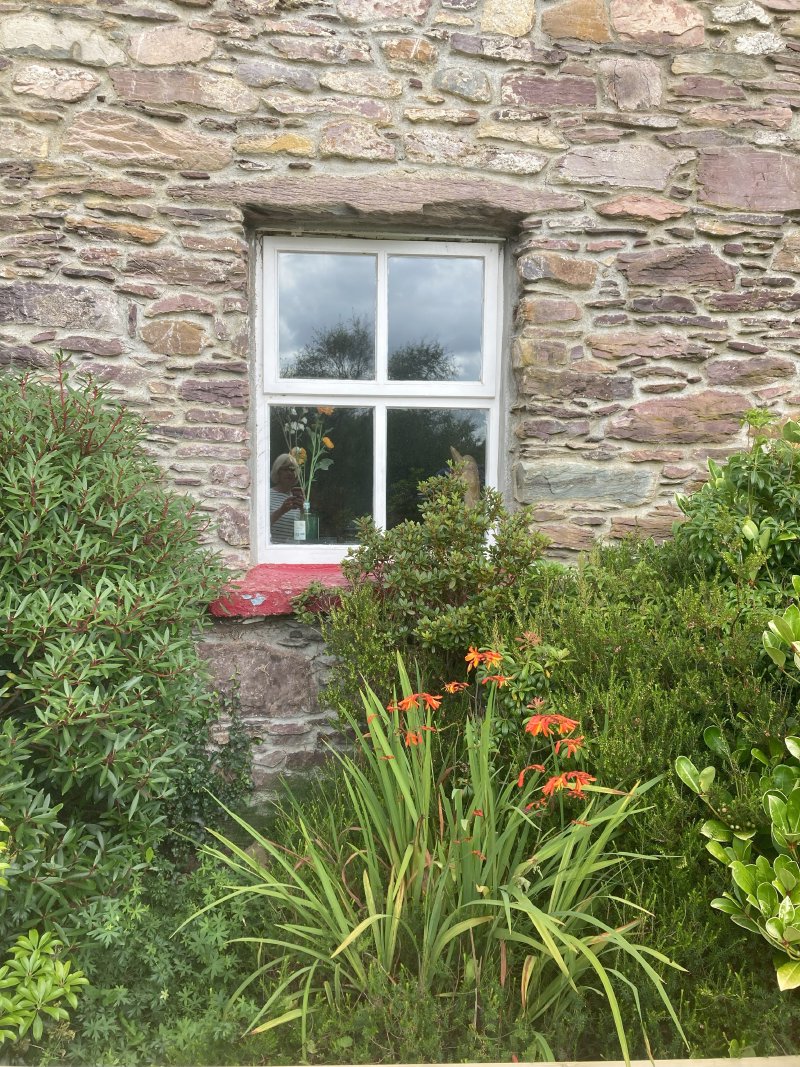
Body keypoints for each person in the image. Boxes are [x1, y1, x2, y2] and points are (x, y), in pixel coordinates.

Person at [270, 453, 304, 543]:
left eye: (292, 469)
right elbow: (260, 527)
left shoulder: (297, 499)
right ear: (277, 472)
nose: (289, 473)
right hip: (271, 550)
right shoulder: (267, 495)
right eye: (285, 469)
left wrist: (303, 510)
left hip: (292, 551)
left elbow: (304, 533)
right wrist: (281, 510)